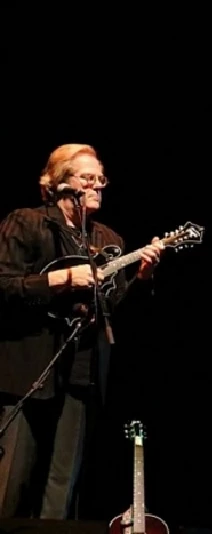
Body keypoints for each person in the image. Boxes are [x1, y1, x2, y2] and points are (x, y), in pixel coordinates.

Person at [0, 143, 162, 519]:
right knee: (10, 483)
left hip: (82, 373)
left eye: (101, 180)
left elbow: (115, 310)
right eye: (87, 178)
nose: (97, 186)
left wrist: (142, 278)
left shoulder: (109, 240)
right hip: (29, 368)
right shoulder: (27, 222)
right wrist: (61, 278)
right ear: (59, 183)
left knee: (62, 487)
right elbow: (5, 284)